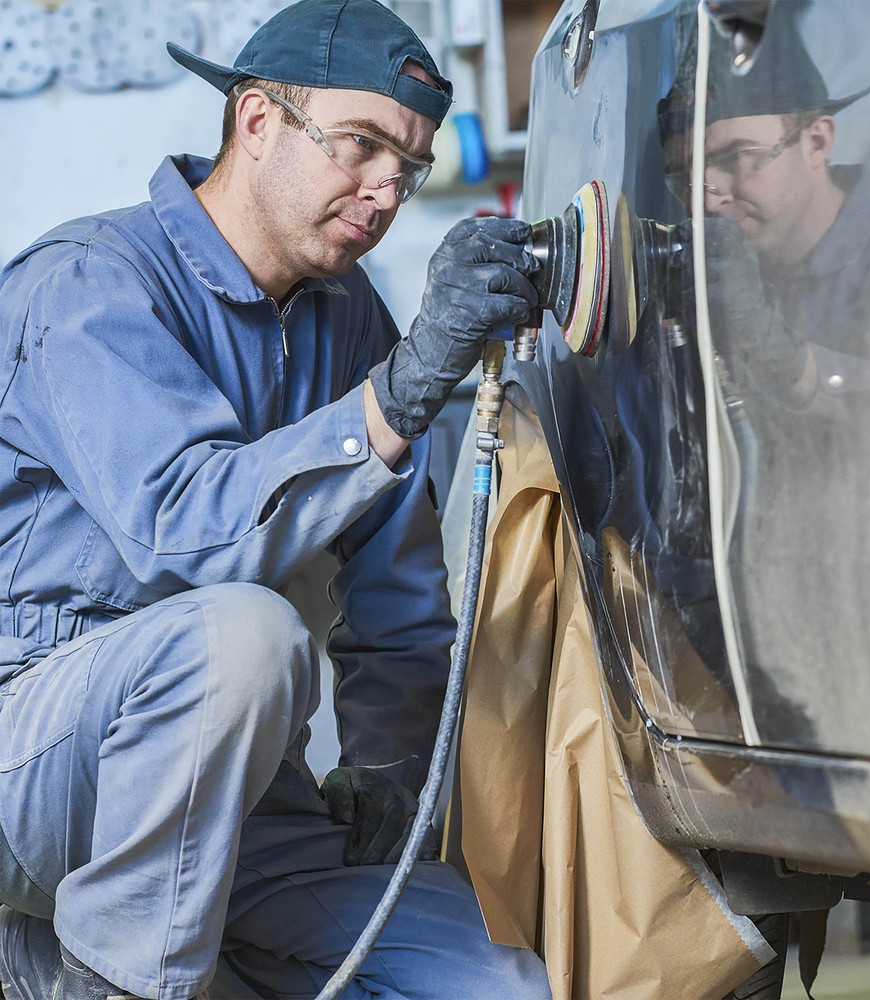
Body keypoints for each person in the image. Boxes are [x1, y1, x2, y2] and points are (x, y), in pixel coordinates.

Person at [0, 1, 551, 997]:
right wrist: (394, 395)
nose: (386, 189)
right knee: (239, 635)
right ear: (257, 123)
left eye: (409, 166)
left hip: (239, 795)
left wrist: (389, 766)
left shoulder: (349, 320)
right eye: (363, 145)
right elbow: (187, 535)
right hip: (32, 769)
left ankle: (127, 964)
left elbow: (400, 603)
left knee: (499, 981)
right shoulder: (88, 285)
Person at [658, 5, 870, 743]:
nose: (709, 193)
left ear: (817, 139)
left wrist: (788, 361)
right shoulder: (720, 272)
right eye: (686, 172)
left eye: (735, 157)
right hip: (796, 672)